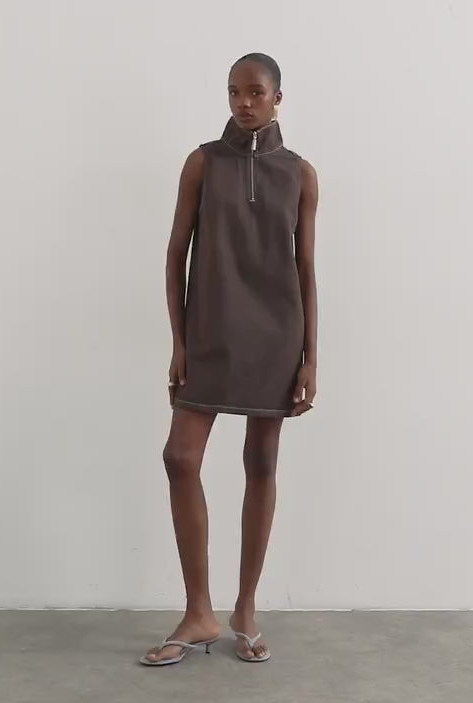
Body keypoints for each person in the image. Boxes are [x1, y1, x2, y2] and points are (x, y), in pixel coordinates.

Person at [140, 52, 318, 666]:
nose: (243, 102)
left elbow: (306, 269)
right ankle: (199, 612)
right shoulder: (203, 162)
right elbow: (175, 253)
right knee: (180, 457)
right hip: (210, 334)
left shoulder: (301, 174)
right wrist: (179, 341)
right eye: (234, 92)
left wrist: (310, 357)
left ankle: (244, 609)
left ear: (277, 98)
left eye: (256, 92)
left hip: (276, 338)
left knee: (261, 463)